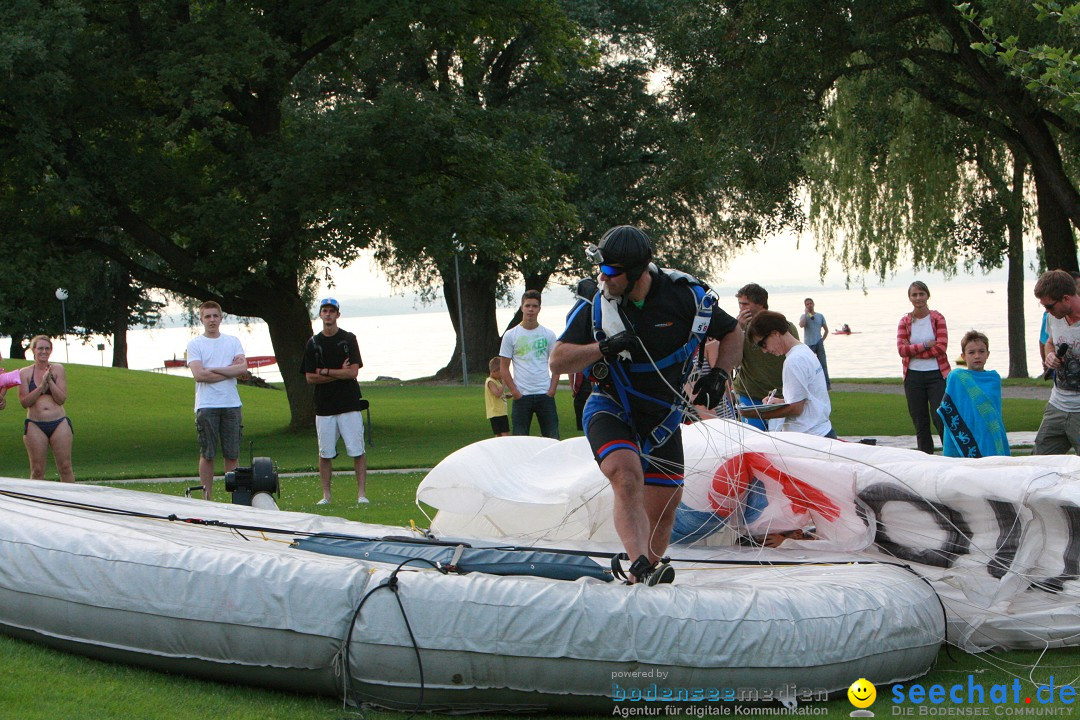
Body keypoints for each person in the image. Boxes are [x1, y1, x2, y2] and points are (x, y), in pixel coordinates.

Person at [550, 225, 741, 584]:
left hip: (663, 417)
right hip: (611, 405)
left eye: (611, 271)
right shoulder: (595, 305)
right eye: (600, 269)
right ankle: (636, 559)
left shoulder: (684, 297)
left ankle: (647, 570)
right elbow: (558, 361)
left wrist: (719, 374)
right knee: (626, 476)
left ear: (637, 271)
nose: (602, 278)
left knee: (666, 506)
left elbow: (732, 331)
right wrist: (603, 348)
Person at [301, 298, 368, 504]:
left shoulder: (348, 339)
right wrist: (341, 372)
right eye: (325, 311)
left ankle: (361, 495)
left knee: (357, 450)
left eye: (332, 311)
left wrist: (326, 371)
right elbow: (310, 377)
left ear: (337, 314)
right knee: (325, 452)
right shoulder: (313, 343)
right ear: (320, 314)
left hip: (348, 403)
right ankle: (326, 496)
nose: (328, 314)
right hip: (324, 405)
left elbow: (353, 372)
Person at [186, 300, 247, 500]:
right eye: (207, 316)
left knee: (232, 454)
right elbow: (199, 375)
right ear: (202, 319)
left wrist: (213, 368)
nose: (212, 320)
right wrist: (229, 371)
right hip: (207, 405)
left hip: (231, 404)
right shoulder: (195, 344)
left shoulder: (232, 341)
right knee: (208, 453)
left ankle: (235, 497)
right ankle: (207, 498)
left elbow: (242, 369)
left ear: (221, 318)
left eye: (215, 316)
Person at [745, 311, 836, 438]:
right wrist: (780, 402)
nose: (764, 351)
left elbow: (796, 408)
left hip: (809, 437)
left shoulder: (793, 361)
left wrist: (757, 413)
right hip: (822, 431)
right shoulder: (804, 351)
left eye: (763, 344)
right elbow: (807, 398)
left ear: (775, 333)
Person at [732, 283, 799, 431]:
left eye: (745, 304)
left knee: (782, 440)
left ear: (760, 304)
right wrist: (737, 331)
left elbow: (795, 355)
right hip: (750, 394)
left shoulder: (783, 326)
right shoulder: (739, 328)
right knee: (753, 440)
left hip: (779, 396)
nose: (741, 309)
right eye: (739, 304)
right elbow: (733, 361)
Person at [897, 281, 950, 454]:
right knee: (920, 422)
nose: (918, 298)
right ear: (910, 298)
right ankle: (926, 457)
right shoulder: (904, 322)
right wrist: (926, 345)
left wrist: (914, 350)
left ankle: (950, 453)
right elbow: (902, 350)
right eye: (914, 295)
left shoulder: (937, 319)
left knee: (940, 418)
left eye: (921, 294)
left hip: (936, 375)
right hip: (913, 377)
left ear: (927, 295)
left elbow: (941, 347)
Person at [937, 331, 1009, 458]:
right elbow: (950, 409)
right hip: (965, 433)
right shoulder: (957, 377)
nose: (977, 356)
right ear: (963, 356)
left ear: (988, 354)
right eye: (971, 352)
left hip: (989, 432)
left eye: (981, 351)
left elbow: (995, 411)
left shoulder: (993, 378)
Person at [500, 289, 560, 439]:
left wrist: (551, 390)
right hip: (522, 396)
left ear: (539, 309)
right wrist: (514, 392)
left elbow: (557, 364)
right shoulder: (510, 335)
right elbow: (504, 368)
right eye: (527, 306)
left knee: (552, 438)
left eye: (534, 306)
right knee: (520, 441)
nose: (531, 310)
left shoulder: (548, 335)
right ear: (521, 308)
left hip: (544, 394)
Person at [1033, 270, 1080, 455]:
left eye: (1050, 306)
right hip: (1057, 405)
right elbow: (1050, 342)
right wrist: (1050, 355)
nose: (1047, 311)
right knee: (1039, 464)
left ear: (1066, 299)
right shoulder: (1054, 317)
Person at [18, 336, 74, 482]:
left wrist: (50, 382)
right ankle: (36, 503)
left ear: (51, 351)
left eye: (47, 348)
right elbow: (25, 402)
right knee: (37, 470)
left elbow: (61, 399)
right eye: (40, 348)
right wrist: (42, 387)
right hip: (35, 424)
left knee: (65, 467)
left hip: (59, 422)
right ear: (33, 350)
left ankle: (71, 502)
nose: (44, 351)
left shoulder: (58, 369)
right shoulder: (24, 373)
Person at [798, 298, 831, 390]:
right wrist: (805, 314)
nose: (809, 305)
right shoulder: (804, 316)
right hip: (808, 344)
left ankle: (827, 385)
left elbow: (826, 330)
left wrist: (822, 340)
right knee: (809, 365)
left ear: (813, 304)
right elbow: (801, 325)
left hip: (818, 342)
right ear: (805, 306)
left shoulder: (820, 316)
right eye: (807, 304)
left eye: (810, 303)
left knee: (823, 364)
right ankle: (810, 384)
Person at [484, 356, 510, 437]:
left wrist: (506, 396)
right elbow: (497, 394)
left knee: (499, 434)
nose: (502, 374)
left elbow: (499, 395)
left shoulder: (496, 381)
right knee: (504, 434)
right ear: (494, 371)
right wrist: (504, 384)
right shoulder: (490, 382)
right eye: (500, 372)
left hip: (501, 412)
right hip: (497, 413)